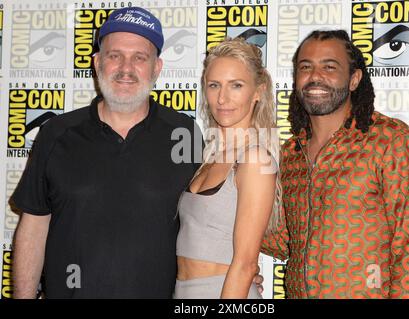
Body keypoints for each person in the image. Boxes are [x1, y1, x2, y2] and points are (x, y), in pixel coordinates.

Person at [11, 7, 202, 298]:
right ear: (98, 62)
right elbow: (34, 225)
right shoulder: (56, 133)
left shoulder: (185, 134)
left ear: (157, 68)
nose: (126, 68)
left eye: (140, 57)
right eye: (115, 56)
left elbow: (205, 223)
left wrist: (235, 271)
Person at [262, 30, 409, 298]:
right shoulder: (290, 154)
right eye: (305, 67)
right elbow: (285, 241)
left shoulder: (389, 140)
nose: (315, 76)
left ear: (354, 79)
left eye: (329, 67)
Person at [173, 38, 281, 299]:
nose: (222, 98)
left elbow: (245, 266)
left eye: (236, 85)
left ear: (258, 92)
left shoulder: (255, 159)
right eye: (214, 85)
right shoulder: (207, 157)